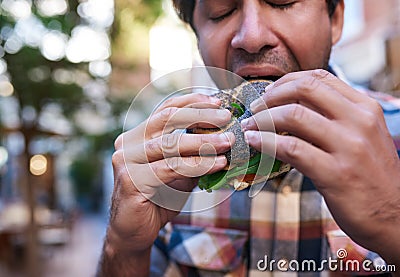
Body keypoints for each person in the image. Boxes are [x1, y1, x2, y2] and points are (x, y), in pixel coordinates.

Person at [98, 0, 400, 276]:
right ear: (198, 38)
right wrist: (122, 247)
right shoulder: (170, 165)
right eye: (221, 10)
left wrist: (390, 222)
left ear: (335, 19)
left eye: (283, 2)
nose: (252, 37)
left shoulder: (392, 141)